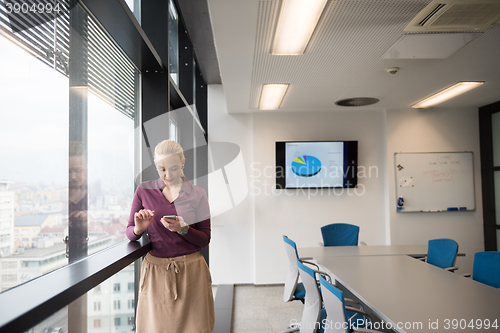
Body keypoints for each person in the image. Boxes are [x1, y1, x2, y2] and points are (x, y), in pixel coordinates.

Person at [126, 140, 214, 333]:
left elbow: (205, 239)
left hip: (191, 270)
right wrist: (140, 229)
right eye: (161, 169)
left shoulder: (198, 193)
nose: (168, 175)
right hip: (155, 272)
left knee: (196, 327)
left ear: (183, 162)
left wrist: (184, 229)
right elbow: (130, 233)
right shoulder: (144, 190)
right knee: (155, 327)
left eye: (173, 168)